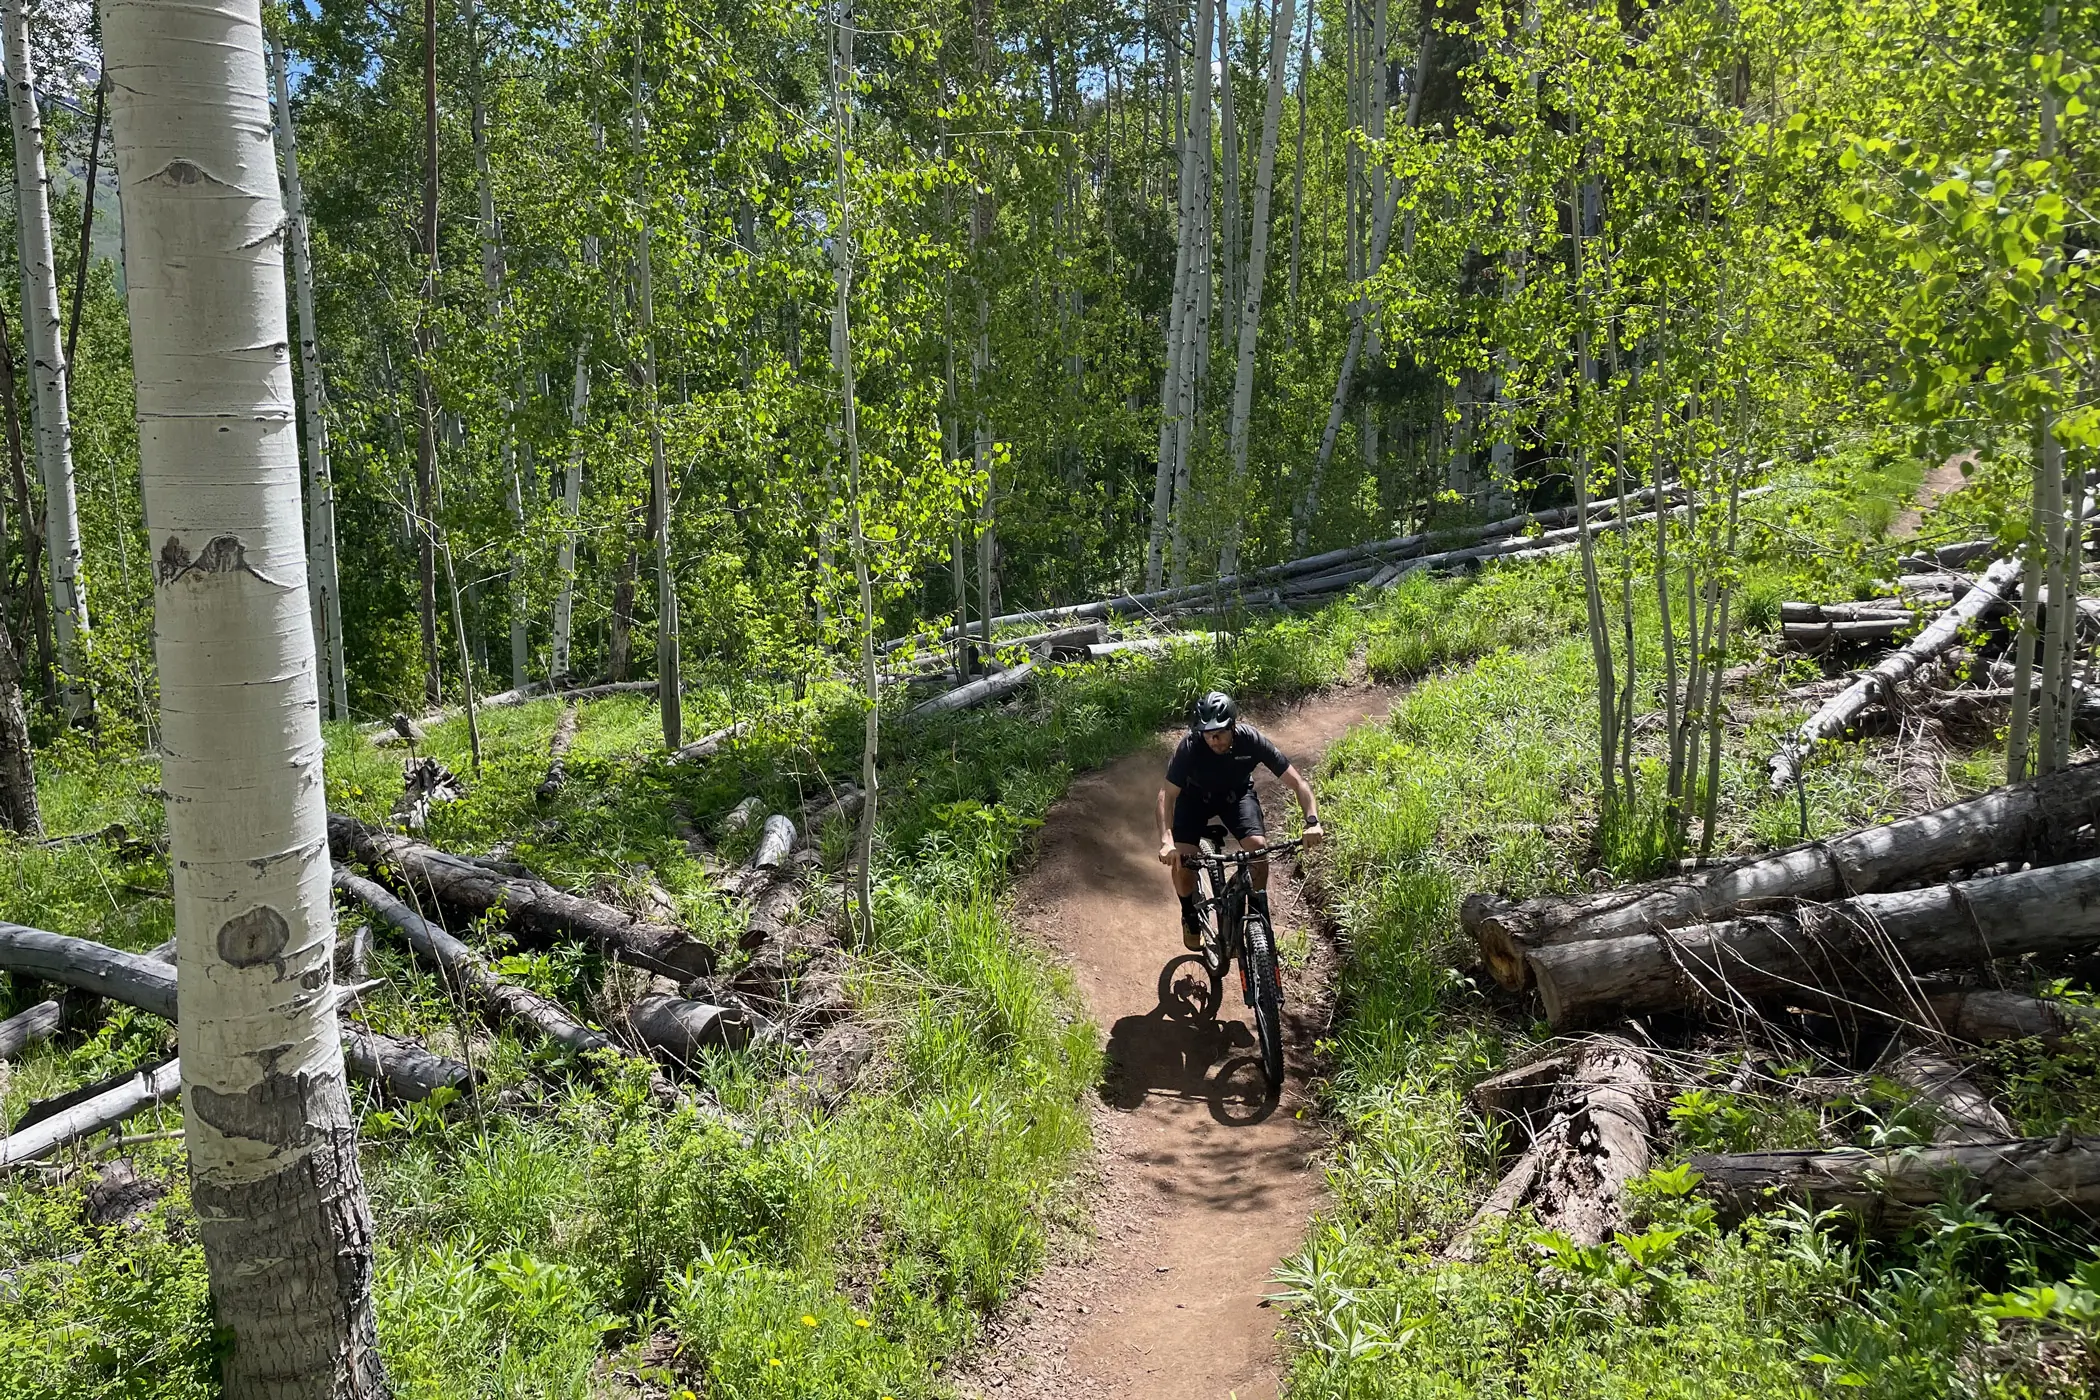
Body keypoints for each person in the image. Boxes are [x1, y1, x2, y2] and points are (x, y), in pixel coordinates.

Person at [1155, 690, 1323, 951]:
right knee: (1183, 862)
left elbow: (1298, 782)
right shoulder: (1190, 747)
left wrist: (1312, 821)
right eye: (1207, 733)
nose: (1213, 739)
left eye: (1219, 732)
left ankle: (1258, 911)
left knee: (1258, 848)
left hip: (1236, 796)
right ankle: (1189, 914)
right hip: (1194, 799)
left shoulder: (1251, 740)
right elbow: (1166, 796)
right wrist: (1167, 841)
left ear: (1233, 726)